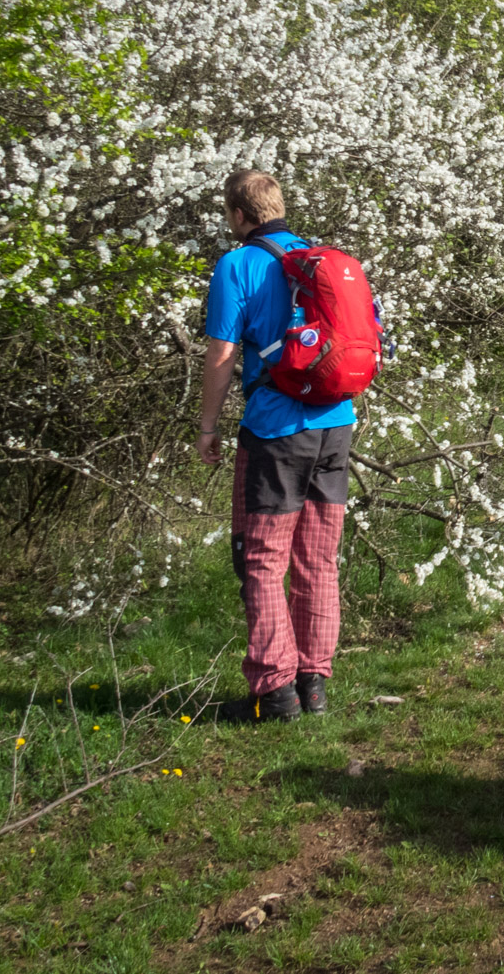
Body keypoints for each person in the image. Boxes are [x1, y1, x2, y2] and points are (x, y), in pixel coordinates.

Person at [197, 170, 354, 724]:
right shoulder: (321, 261)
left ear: (239, 215)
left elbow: (221, 354)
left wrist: (208, 426)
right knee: (318, 558)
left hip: (274, 431)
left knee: (262, 559)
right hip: (336, 424)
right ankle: (315, 685)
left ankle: (275, 691)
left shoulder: (237, 265)